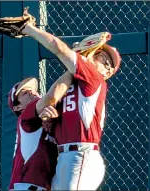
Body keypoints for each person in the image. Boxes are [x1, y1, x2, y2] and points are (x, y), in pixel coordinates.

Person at [20, 22, 121, 190]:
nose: (101, 60)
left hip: (81, 155)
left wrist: (29, 29)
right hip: (65, 158)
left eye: (107, 63)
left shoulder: (94, 79)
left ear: (107, 73)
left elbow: (59, 48)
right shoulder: (68, 85)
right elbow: (52, 112)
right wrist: (49, 119)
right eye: (100, 55)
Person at [8, 72, 72, 190]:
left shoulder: (46, 122)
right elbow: (50, 98)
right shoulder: (25, 118)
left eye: (32, 90)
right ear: (18, 108)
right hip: (25, 187)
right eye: (25, 93)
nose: (32, 92)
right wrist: (73, 69)